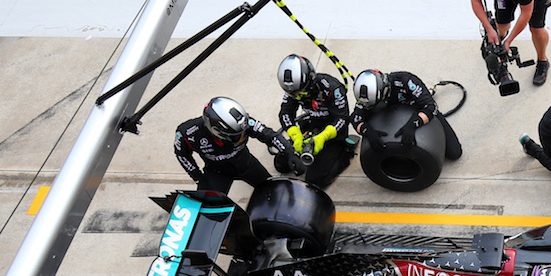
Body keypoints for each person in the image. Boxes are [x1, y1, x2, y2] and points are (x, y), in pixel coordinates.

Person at [174, 97, 289, 194]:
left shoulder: (244, 122)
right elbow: (182, 154)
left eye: (243, 133)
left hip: (246, 164)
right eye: (235, 136)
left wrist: (288, 151)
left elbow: (269, 135)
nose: (241, 138)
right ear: (216, 131)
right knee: (207, 207)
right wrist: (198, 178)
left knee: (273, 191)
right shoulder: (188, 133)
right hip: (217, 172)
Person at [275, 54, 354, 188]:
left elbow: (342, 119)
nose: (297, 96)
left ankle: (345, 154)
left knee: (315, 181)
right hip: (311, 126)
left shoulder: (333, 89)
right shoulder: (293, 89)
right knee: (281, 165)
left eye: (301, 92)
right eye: (294, 94)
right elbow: (285, 113)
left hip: (333, 132)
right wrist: (295, 135)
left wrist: (323, 137)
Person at [351, 68, 461, 161]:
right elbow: (355, 118)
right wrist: (367, 131)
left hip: (416, 112)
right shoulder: (367, 96)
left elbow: (431, 107)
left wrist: (413, 124)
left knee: (454, 152)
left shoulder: (406, 81)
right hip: (388, 117)